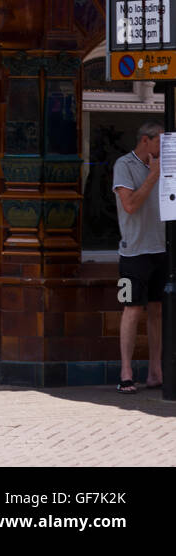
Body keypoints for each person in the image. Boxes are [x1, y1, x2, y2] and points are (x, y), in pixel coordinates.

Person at [112, 121, 166, 393]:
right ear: (146, 140)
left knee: (157, 310)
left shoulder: (166, 165)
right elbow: (130, 205)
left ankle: (156, 371)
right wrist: (153, 176)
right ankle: (126, 372)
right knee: (132, 309)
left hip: (161, 248)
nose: (164, 148)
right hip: (133, 251)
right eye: (160, 142)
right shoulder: (124, 165)